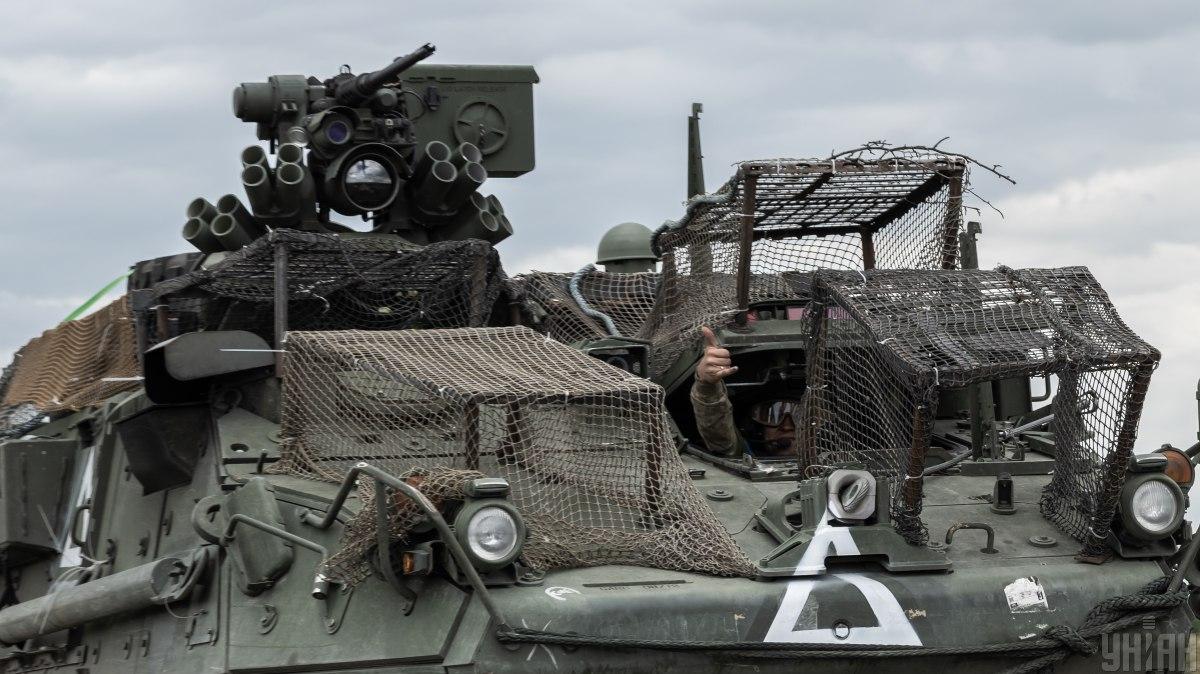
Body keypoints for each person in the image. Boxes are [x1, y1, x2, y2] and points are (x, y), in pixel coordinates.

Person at [689, 326, 801, 459]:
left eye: (799, 416)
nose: (787, 427)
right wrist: (706, 386)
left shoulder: (831, 460)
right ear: (757, 429)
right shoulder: (744, 459)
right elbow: (721, 439)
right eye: (772, 415)